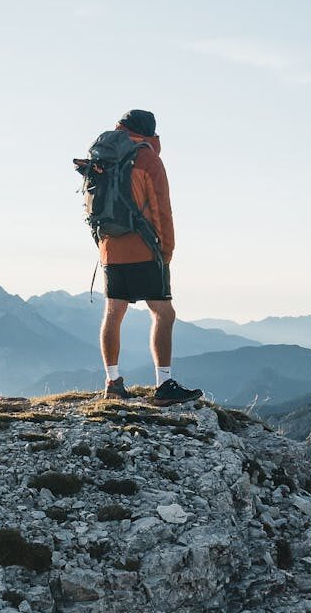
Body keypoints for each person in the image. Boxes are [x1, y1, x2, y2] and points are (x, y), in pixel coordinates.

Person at [97, 109, 203, 406]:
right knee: (164, 313)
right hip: (144, 247)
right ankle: (164, 384)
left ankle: (112, 383)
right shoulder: (146, 158)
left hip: (110, 247)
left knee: (114, 313)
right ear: (149, 133)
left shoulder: (105, 155)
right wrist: (166, 250)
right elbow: (161, 209)